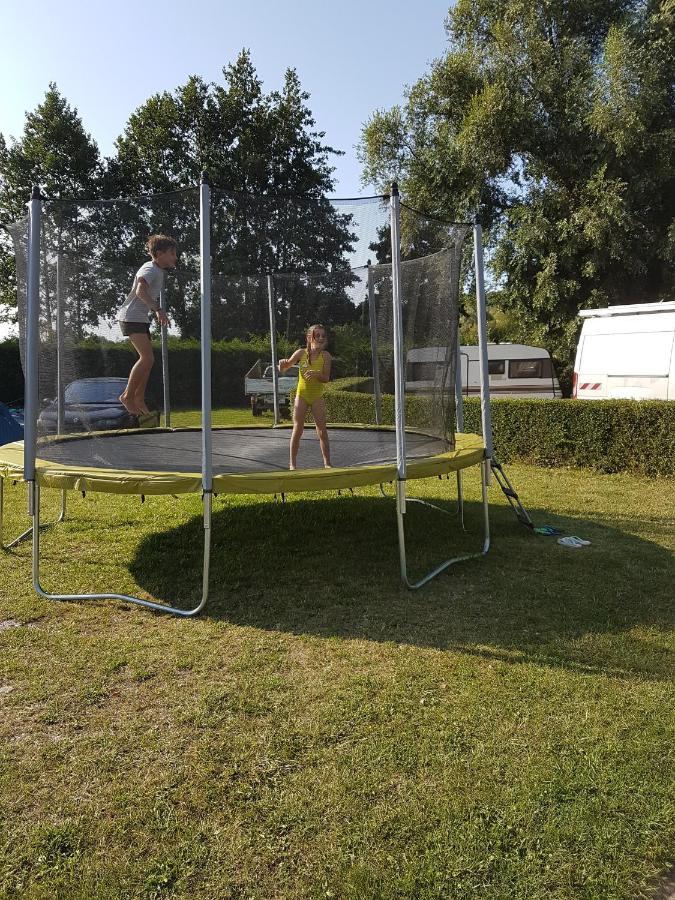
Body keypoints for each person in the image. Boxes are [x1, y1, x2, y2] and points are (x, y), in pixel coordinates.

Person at [117, 235, 175, 416]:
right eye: (172, 253)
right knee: (147, 358)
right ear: (159, 254)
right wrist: (158, 309)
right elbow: (140, 291)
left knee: (148, 362)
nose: (175, 257)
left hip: (140, 319)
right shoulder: (150, 268)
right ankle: (127, 396)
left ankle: (139, 398)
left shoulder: (157, 270)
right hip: (131, 317)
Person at [279, 324, 332, 470]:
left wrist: (316, 374)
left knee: (322, 430)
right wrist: (281, 364)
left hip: (316, 396)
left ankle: (327, 464)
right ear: (309, 338)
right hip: (301, 396)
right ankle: (292, 464)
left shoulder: (326, 356)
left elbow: (326, 378)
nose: (321, 338)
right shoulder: (300, 353)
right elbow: (284, 368)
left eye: (323, 335)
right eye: (317, 335)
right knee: (298, 429)